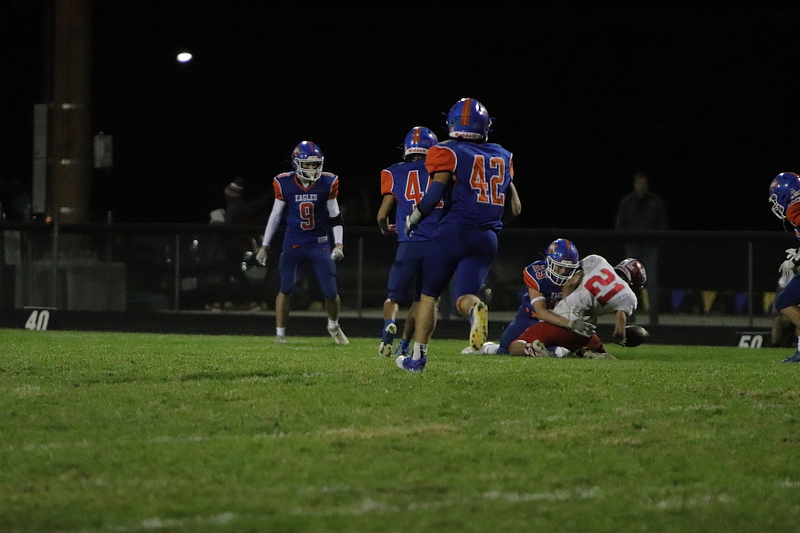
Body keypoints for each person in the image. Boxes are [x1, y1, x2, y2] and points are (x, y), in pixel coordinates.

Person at [396, 97, 522, 373]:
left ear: (453, 124)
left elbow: (434, 194)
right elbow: (515, 208)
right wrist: (491, 223)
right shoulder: (502, 155)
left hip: (453, 231)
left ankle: (417, 359)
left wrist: (414, 218)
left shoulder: (448, 151)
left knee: (429, 296)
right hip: (487, 237)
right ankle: (475, 310)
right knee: (464, 295)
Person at [255, 141, 348, 345]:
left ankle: (333, 326)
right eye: (307, 164)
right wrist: (264, 246)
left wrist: (339, 244)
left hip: (319, 243)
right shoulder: (285, 183)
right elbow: (275, 215)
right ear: (297, 163)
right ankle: (280, 334)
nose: (312, 168)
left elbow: (335, 216)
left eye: (315, 164)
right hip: (294, 242)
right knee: (285, 288)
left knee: (331, 291)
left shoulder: (327, 182)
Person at [376, 126, 441, 358]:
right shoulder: (441, 171)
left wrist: (386, 229)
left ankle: (388, 327)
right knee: (424, 300)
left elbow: (381, 215)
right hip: (436, 246)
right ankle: (405, 345)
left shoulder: (395, 172)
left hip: (409, 244)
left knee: (393, 296)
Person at [507, 255, 647, 358]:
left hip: (561, 321)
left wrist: (566, 305)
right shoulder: (629, 296)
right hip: (584, 331)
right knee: (600, 352)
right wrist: (620, 339)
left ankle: (532, 350)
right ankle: (589, 352)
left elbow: (571, 283)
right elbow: (619, 331)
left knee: (514, 346)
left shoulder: (598, 261)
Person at [463, 238, 582, 355]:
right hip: (529, 317)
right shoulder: (537, 273)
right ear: (549, 261)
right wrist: (570, 323)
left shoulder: (579, 276)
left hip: (556, 322)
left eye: (568, 268)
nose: (563, 271)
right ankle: (487, 348)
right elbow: (541, 312)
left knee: (553, 349)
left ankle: (563, 350)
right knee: (504, 349)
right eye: (559, 266)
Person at [614, 172, 668, 324]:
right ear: (635, 184)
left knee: (652, 281)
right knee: (630, 280)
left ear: (647, 185)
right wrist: (627, 240)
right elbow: (620, 224)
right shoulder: (627, 202)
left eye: (644, 184)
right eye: (639, 183)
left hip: (650, 247)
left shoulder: (655, 202)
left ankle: (653, 315)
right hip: (632, 247)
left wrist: (656, 241)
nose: (641, 186)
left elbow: (662, 224)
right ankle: (630, 314)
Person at [766, 171, 800, 362]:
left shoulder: (795, 211)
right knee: (785, 301)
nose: (776, 203)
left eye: (776, 197)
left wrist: (795, 259)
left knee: (784, 301)